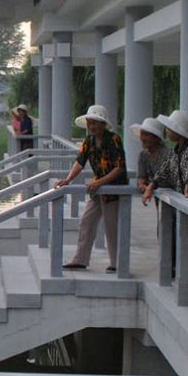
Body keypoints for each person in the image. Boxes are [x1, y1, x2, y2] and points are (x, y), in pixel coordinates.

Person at [55, 105, 128, 273]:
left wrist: (100, 182)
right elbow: (80, 161)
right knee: (86, 222)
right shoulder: (88, 141)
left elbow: (119, 168)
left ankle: (116, 263)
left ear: (103, 124)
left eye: (95, 123)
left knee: (111, 226)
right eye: (89, 123)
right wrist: (68, 179)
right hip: (97, 189)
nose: (92, 126)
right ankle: (80, 259)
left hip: (113, 189)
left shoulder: (114, 139)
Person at [142, 109, 188, 290]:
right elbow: (164, 169)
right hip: (182, 203)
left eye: (170, 129)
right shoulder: (174, 151)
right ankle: (181, 273)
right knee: (181, 240)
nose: (167, 132)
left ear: (178, 131)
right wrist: (151, 184)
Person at [132, 117, 174, 277]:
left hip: (174, 195)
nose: (143, 138)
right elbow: (141, 176)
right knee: (163, 229)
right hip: (160, 199)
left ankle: (178, 269)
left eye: (147, 135)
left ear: (156, 137)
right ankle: (167, 267)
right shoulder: (143, 155)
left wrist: (150, 186)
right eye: (142, 134)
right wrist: (142, 184)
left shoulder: (168, 154)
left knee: (176, 231)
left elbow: (163, 176)